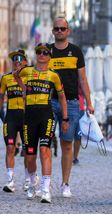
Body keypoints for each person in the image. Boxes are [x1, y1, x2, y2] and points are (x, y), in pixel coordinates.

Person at [14, 43, 68, 203]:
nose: (42, 55)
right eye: (39, 52)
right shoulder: (28, 70)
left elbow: (63, 97)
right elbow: (16, 76)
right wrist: (24, 89)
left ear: (50, 57)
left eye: (45, 53)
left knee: (45, 150)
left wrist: (65, 118)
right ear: (36, 54)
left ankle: (45, 189)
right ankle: (32, 182)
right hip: (29, 116)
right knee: (30, 156)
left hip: (46, 115)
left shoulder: (54, 76)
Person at [49, 17, 94, 198]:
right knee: (43, 142)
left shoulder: (76, 51)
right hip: (49, 101)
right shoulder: (47, 51)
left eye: (63, 28)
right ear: (53, 31)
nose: (60, 31)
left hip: (72, 103)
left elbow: (82, 79)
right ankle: (42, 180)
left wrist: (89, 103)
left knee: (67, 144)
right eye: (57, 29)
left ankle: (65, 183)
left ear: (68, 31)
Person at [0, 49, 32, 193]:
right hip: (10, 116)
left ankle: (28, 179)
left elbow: (28, 94)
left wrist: (19, 79)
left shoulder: (30, 77)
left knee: (28, 150)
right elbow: (1, 97)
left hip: (26, 116)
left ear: (25, 62)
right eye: (14, 59)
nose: (17, 61)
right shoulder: (5, 78)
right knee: (10, 147)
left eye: (20, 59)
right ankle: (10, 180)